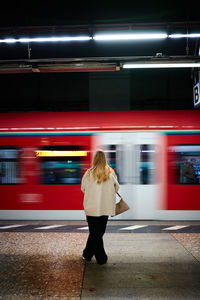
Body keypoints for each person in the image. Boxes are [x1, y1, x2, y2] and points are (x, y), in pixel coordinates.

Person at [81, 149, 119, 265]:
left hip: (91, 208)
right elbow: (116, 188)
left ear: (94, 159)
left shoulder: (88, 173)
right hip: (105, 208)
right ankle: (100, 258)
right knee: (98, 233)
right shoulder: (111, 173)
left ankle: (88, 254)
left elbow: (83, 188)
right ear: (104, 159)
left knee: (94, 233)